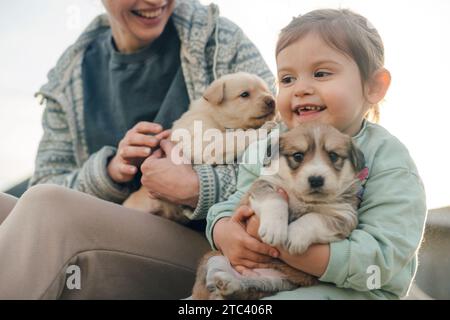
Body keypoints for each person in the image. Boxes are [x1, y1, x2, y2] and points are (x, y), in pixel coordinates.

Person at [0, 0, 274, 299]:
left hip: (206, 245)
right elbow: (44, 182)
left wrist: (198, 186)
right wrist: (108, 173)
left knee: (47, 205)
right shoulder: (69, 76)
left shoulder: (218, 39)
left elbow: (284, 146)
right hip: (114, 223)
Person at [206, 9, 427, 299]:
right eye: (287, 79)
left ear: (373, 86)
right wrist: (223, 230)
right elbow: (236, 202)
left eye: (321, 73)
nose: (301, 89)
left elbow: (382, 255)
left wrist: (288, 248)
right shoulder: (268, 146)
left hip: (354, 290)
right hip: (265, 277)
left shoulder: (390, 160)